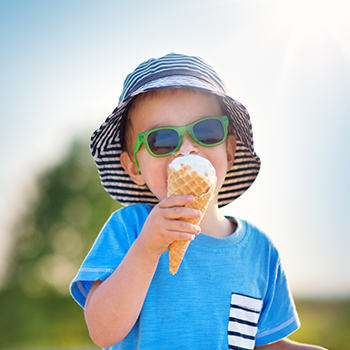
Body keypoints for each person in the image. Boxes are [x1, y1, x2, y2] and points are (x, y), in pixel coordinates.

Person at [70, 53, 326, 350]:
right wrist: (147, 249)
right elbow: (103, 331)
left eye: (206, 132)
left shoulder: (260, 251)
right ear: (133, 168)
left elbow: (266, 344)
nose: (187, 150)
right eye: (162, 140)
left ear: (229, 152)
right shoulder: (128, 229)